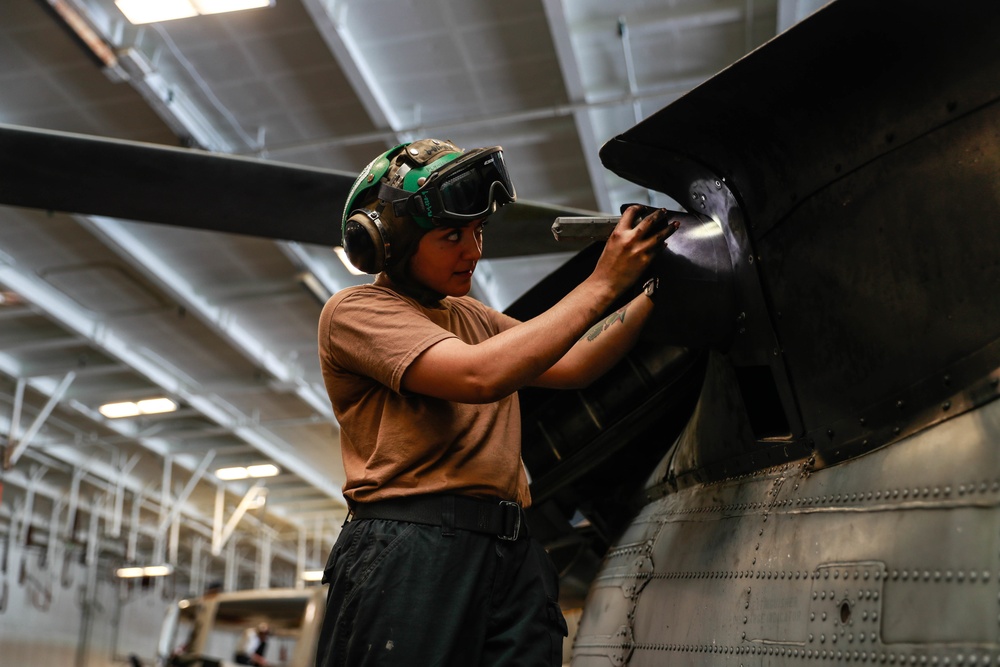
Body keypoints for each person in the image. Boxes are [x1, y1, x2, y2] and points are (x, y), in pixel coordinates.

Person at [314, 138, 678, 667]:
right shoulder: (356, 312)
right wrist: (603, 283)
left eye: (479, 232)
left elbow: (574, 361)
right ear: (386, 242)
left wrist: (656, 287)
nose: (473, 251)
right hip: (413, 548)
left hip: (510, 549)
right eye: (452, 236)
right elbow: (479, 375)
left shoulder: (471, 316)